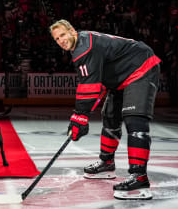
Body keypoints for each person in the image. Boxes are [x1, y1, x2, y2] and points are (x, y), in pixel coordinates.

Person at [49, 19, 161, 200]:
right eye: (56, 39)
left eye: (62, 35)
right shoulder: (84, 44)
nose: (60, 40)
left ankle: (139, 177)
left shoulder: (83, 47)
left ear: (72, 31)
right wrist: (80, 116)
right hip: (121, 77)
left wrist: (79, 117)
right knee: (109, 115)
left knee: (135, 120)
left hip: (141, 68)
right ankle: (107, 163)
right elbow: (96, 85)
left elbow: (89, 87)